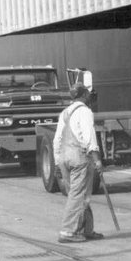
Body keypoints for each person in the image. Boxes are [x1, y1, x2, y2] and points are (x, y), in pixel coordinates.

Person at [53, 83, 104, 243]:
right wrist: (97, 159)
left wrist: (57, 162)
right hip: (78, 157)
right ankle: (68, 232)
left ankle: (86, 229)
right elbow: (89, 137)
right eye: (88, 94)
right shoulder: (85, 112)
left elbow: (57, 139)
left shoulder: (65, 113)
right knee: (78, 195)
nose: (90, 96)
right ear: (84, 95)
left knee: (79, 194)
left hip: (63, 158)